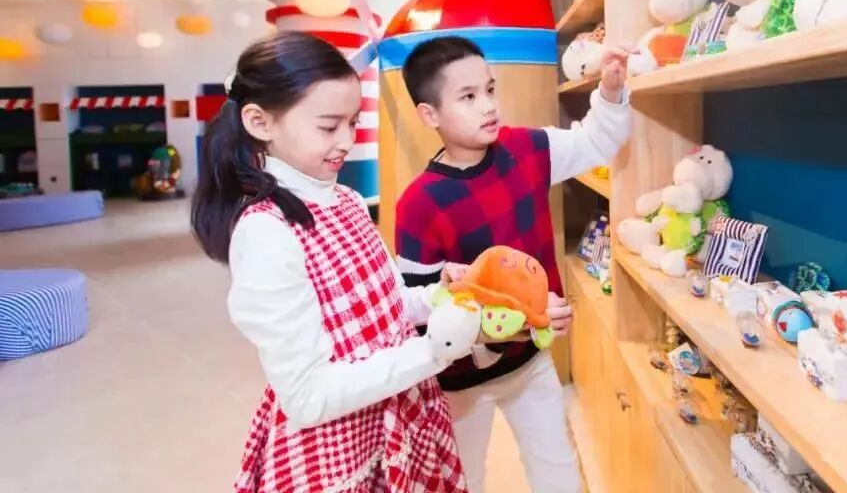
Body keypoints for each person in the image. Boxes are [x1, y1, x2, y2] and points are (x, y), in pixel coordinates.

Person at [191, 31, 475, 493]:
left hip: (399, 413)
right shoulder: (265, 233)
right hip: (337, 451)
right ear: (260, 122)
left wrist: (441, 297)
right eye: (328, 127)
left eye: (353, 122)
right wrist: (434, 351)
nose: (346, 141)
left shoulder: (347, 199)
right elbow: (307, 396)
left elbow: (383, 309)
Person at [396, 35, 631, 493]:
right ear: (429, 114)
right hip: (458, 379)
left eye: (489, 89)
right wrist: (495, 327)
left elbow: (594, 143)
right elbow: (417, 312)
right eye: (467, 97)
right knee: (464, 479)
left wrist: (610, 91)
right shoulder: (419, 204)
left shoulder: (526, 148)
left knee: (558, 470)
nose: (488, 105)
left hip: (531, 362)